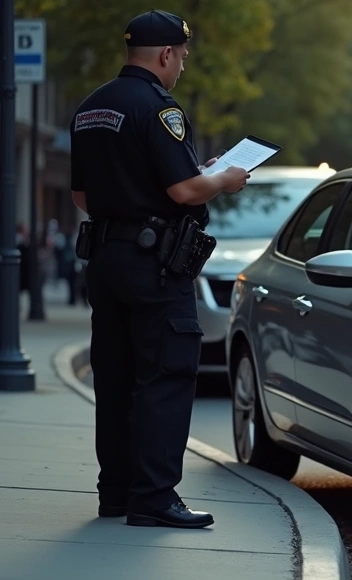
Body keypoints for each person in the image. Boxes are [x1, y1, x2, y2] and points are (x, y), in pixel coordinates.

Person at [69, 10, 250, 528]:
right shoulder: (159, 109)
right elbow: (183, 189)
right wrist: (223, 178)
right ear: (167, 54)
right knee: (165, 374)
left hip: (105, 260)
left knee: (116, 375)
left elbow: (81, 194)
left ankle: (117, 493)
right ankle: (153, 498)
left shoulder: (90, 108)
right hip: (154, 265)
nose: (182, 68)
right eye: (183, 58)